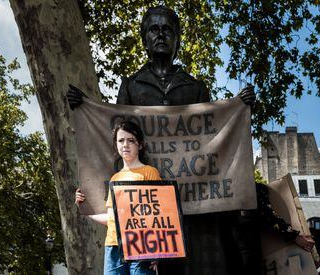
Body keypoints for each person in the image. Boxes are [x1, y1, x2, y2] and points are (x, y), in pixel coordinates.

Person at [68, 6, 257, 275]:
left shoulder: (195, 86)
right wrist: (84, 107)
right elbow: (117, 136)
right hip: (147, 210)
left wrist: (241, 108)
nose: (160, 35)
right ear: (144, 38)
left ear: (177, 38)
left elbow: (216, 134)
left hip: (194, 206)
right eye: (154, 30)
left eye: (167, 30)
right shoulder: (131, 86)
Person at [75, 121, 161, 275]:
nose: (125, 145)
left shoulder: (150, 173)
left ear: (140, 145)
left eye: (131, 140)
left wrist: (158, 250)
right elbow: (111, 217)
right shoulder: (115, 178)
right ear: (116, 145)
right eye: (121, 141)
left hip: (142, 244)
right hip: (113, 245)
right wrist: (84, 208)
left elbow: (159, 214)